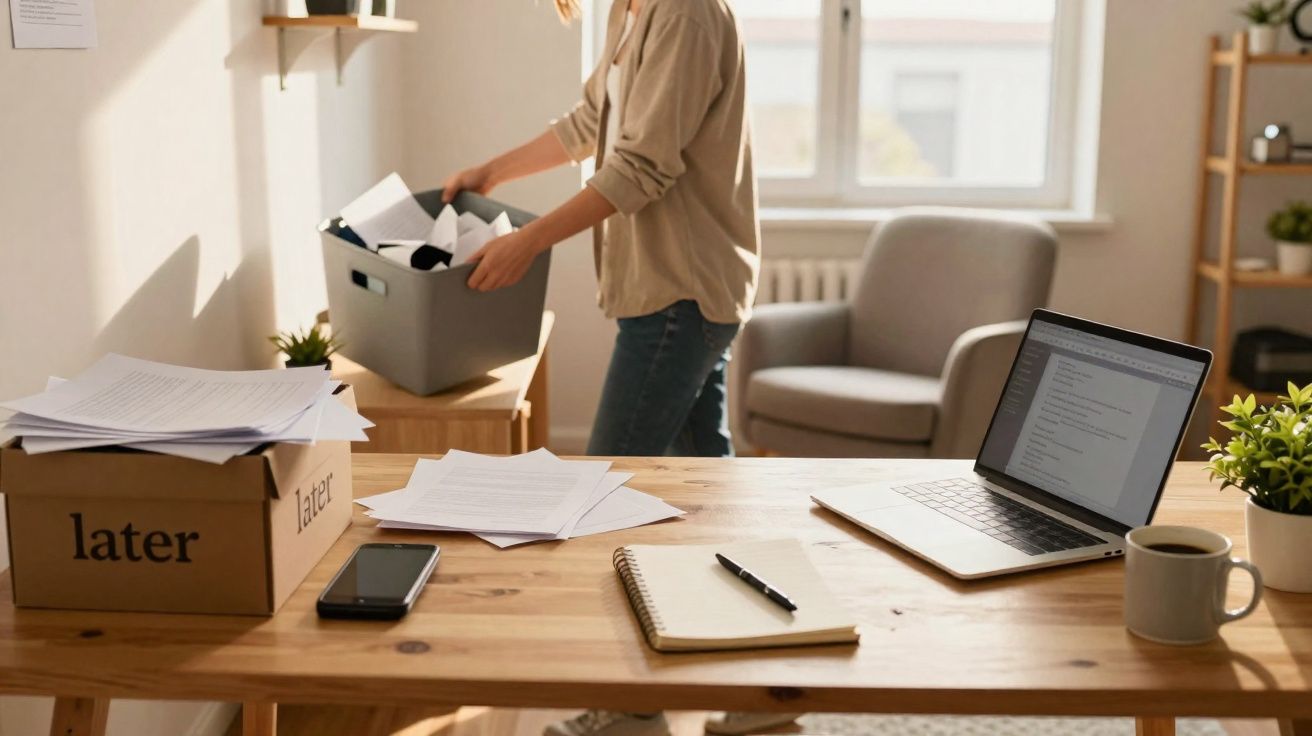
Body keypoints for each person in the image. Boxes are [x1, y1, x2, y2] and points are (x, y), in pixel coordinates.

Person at [441, 1, 797, 733]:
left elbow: (641, 167)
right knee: (710, 497)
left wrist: (529, 242)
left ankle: (633, 706)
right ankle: (758, 700)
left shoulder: (686, 13)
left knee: (602, 499)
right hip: (673, 292)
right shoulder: (631, 10)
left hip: (681, 293)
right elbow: (592, 123)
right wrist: (492, 171)